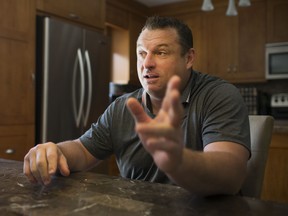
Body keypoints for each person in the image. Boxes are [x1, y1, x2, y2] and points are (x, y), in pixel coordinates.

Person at [24, 16, 250, 196]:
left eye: (161, 52)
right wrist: (55, 151)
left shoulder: (218, 95)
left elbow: (231, 177)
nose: (147, 63)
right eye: (142, 53)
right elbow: (83, 150)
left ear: (188, 58)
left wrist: (178, 161)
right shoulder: (123, 106)